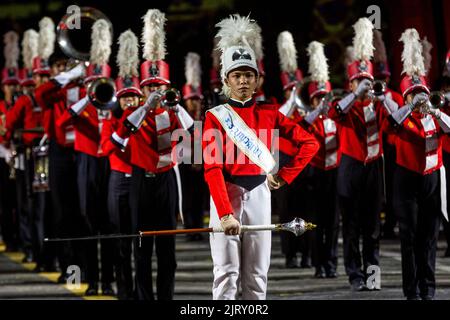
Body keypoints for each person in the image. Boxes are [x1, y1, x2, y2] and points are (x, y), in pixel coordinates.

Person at [203, 14, 319, 300]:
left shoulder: (270, 113)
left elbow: (310, 143)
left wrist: (284, 176)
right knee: (226, 275)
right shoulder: (215, 117)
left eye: (248, 75)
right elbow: (211, 168)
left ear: (256, 79)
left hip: (260, 194)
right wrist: (225, 212)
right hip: (225, 196)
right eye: (237, 75)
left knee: (256, 276)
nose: (243, 81)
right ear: (227, 80)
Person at [110, 9, 194, 300]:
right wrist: (146, 107)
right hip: (140, 182)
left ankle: (166, 298)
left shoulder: (173, 114)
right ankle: (144, 297)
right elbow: (119, 137)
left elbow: (191, 134)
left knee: (167, 250)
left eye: (160, 87)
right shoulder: (135, 112)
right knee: (142, 246)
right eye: (151, 88)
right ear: (143, 90)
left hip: (165, 181)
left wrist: (176, 106)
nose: (156, 91)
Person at [383, 28, 450, 300]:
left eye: (422, 92)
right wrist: (410, 106)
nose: (420, 98)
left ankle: (428, 289)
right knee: (409, 238)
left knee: (429, 237)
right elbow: (391, 123)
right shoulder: (402, 118)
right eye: (414, 94)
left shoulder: (434, 117)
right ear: (406, 97)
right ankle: (411, 292)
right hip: (406, 181)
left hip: (431, 180)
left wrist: (433, 108)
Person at [101, 29, 142, 300]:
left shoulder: (147, 121)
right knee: (120, 240)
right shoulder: (111, 121)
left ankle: (141, 290)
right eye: (125, 97)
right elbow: (106, 148)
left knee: (139, 239)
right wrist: (126, 126)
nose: (129, 101)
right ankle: (124, 291)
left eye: (133, 97)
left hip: (139, 181)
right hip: (118, 182)